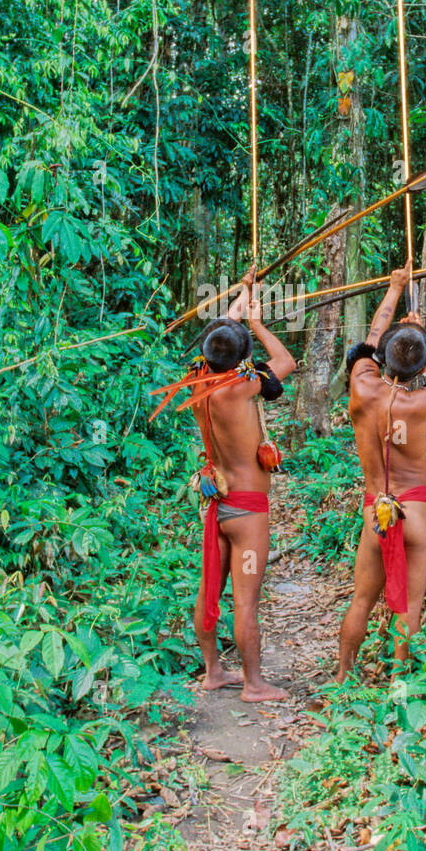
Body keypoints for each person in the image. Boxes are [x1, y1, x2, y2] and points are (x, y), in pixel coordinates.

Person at [150, 269, 297, 702]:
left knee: (209, 588)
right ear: (240, 358)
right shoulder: (239, 386)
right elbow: (285, 364)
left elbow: (222, 334)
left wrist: (246, 291)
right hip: (248, 511)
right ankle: (253, 685)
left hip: (215, 505)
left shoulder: (200, 379)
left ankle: (213, 671)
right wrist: (258, 324)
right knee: (245, 600)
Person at [338, 260, 426, 680]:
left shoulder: (361, 383)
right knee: (409, 604)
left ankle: (342, 676)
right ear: (421, 366)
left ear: (383, 359)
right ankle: (397, 687)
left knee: (361, 599)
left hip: (378, 507)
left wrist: (395, 289)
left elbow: (372, 339)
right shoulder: (423, 401)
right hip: (417, 510)